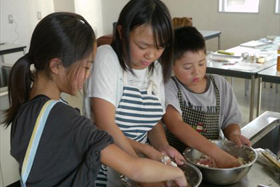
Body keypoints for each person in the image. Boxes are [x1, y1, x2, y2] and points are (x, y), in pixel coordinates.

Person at [2, 12, 187, 187]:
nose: (88, 75)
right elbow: (135, 169)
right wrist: (177, 173)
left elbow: (92, 136)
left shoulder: (29, 106)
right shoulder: (63, 118)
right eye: (86, 66)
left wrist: (147, 150)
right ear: (56, 66)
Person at [84, 0, 185, 186]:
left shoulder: (154, 69)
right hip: (104, 169)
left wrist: (163, 148)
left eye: (159, 47)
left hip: (138, 164)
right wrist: (140, 169)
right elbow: (106, 125)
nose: (151, 55)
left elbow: (152, 122)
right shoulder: (108, 58)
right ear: (122, 33)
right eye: (142, 46)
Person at [163, 26, 251, 168]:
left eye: (201, 63)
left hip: (213, 164)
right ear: (172, 65)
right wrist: (218, 154)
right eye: (187, 67)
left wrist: (234, 134)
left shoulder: (220, 85)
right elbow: (175, 125)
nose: (196, 71)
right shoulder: (169, 87)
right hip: (179, 163)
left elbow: (230, 121)